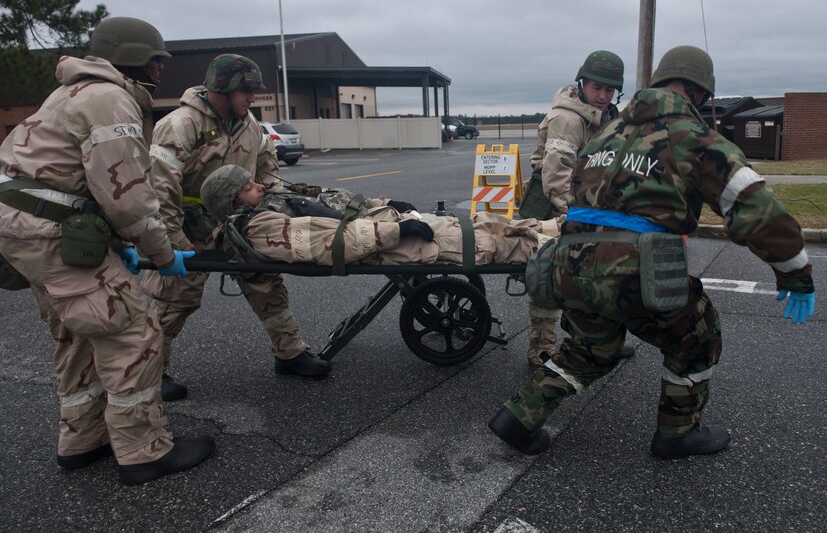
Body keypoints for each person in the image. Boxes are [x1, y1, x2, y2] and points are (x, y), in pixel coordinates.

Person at [488, 45, 815, 459]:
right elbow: (757, 211)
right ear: (701, 94)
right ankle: (678, 432)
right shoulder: (694, 138)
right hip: (631, 266)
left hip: (568, 262)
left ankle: (518, 418)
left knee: (591, 350)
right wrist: (795, 273)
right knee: (698, 338)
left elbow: (571, 192)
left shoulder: (605, 134)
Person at [0, 17, 215, 485]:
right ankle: (143, 451)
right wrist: (163, 256)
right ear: (135, 59)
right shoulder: (110, 100)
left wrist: (118, 248)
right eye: (156, 61)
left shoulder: (70, 94)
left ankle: (83, 439)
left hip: (27, 228)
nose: (161, 70)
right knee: (132, 331)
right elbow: (128, 199)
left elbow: (80, 184)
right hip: (51, 232)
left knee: (78, 332)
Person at [142, 54, 329, 402]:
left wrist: (271, 204)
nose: (253, 98)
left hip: (239, 225)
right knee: (174, 299)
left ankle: (289, 353)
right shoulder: (180, 125)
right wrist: (177, 244)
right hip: (190, 228)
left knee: (267, 285)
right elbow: (159, 190)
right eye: (246, 91)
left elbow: (266, 164)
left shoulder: (249, 124)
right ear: (223, 89)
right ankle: (150, 373)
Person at [198, 164, 563, 267]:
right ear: (233, 204)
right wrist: (399, 232)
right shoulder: (261, 228)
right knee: (485, 244)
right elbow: (333, 243)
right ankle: (562, 248)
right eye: (247, 188)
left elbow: (340, 205)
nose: (258, 187)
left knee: (474, 222)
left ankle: (554, 227)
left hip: (386, 226)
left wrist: (390, 206)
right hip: (389, 244)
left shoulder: (272, 204)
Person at [526, 51, 633, 368]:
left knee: (595, 276)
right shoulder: (569, 120)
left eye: (609, 89)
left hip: (586, 202)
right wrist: (584, 217)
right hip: (553, 205)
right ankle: (542, 349)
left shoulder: (604, 117)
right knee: (547, 278)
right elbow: (556, 178)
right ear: (582, 84)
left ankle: (597, 343)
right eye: (597, 87)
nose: (603, 95)